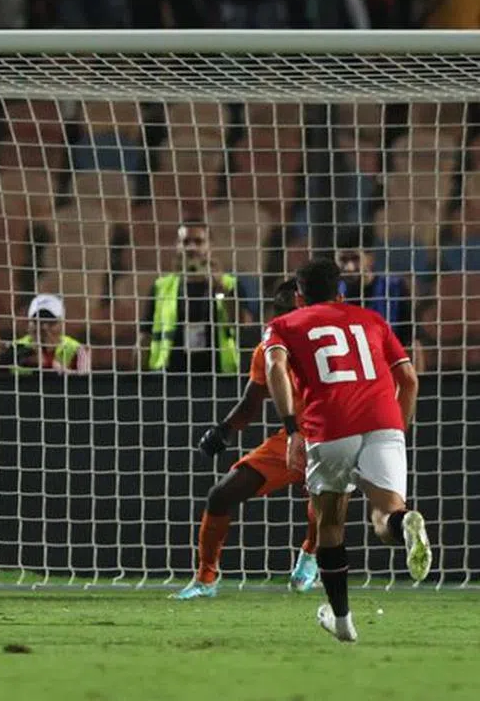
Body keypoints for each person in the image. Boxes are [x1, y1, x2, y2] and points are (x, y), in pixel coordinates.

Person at [265, 258, 430, 643]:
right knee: (386, 513)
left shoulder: (284, 325)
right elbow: (408, 378)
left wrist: (292, 430)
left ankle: (342, 621)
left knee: (330, 524)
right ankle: (403, 524)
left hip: (330, 425)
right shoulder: (372, 319)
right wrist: (396, 430)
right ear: (341, 291)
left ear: (299, 294)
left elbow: (275, 367)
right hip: (383, 420)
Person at [171, 280, 319, 600]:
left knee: (326, 502)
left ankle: (310, 556)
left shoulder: (323, 343)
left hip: (332, 435)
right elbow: (251, 402)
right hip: (290, 439)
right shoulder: (267, 349)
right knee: (221, 494)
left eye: (290, 311)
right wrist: (223, 430)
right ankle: (205, 578)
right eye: (278, 312)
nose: (282, 318)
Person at [142, 222, 252, 374]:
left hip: (218, 375)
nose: (192, 247)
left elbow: (244, 326)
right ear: (177, 246)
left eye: (199, 242)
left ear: (210, 246)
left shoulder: (229, 284)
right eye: (186, 242)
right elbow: (145, 336)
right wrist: (138, 380)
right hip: (170, 375)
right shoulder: (161, 287)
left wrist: (221, 290)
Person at [335, 226, 420, 367]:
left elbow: (411, 342)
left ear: (370, 259)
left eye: (355, 259)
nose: (349, 267)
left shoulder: (395, 288)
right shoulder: (333, 292)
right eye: (343, 260)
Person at [0, 293, 90, 374]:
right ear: (29, 324)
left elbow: (85, 385)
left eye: (50, 321)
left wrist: (46, 366)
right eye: (37, 321)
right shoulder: (16, 348)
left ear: (62, 324)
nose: (44, 327)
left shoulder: (76, 350)